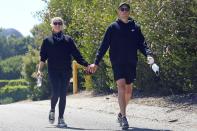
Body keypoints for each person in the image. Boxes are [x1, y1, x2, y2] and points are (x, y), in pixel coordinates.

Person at [89, 2, 154, 130]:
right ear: (118, 11)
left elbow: (142, 44)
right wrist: (96, 62)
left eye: (126, 9)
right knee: (121, 86)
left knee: (129, 91)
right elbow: (103, 46)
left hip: (131, 62)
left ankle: (120, 112)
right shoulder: (112, 27)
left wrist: (148, 54)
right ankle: (124, 118)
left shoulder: (135, 27)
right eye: (122, 9)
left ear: (129, 12)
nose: (124, 11)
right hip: (117, 62)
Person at [37, 17, 89, 128]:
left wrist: (87, 65)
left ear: (62, 25)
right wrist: (39, 70)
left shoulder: (68, 40)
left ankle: (61, 118)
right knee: (56, 92)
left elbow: (77, 55)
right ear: (52, 25)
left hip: (66, 71)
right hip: (53, 71)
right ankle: (52, 110)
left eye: (59, 23)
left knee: (63, 95)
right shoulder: (47, 41)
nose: (57, 25)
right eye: (55, 23)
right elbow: (42, 59)